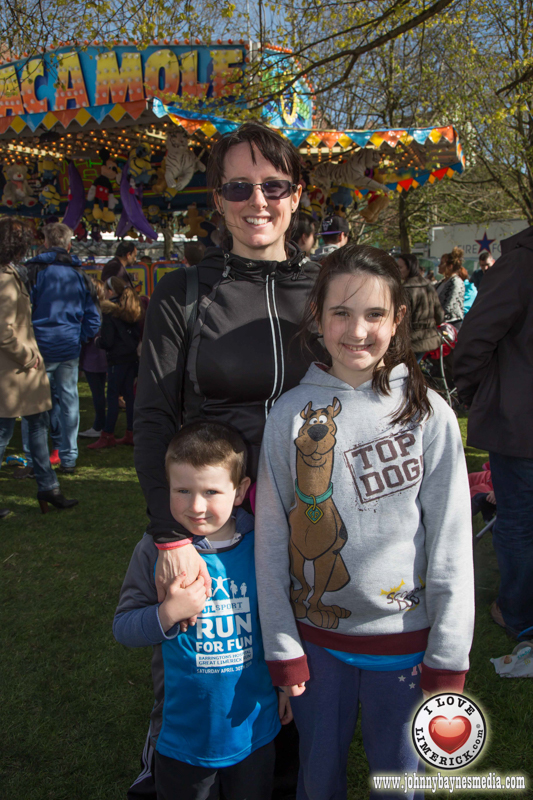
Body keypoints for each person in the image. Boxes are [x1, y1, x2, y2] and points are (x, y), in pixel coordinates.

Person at [132, 120, 323, 799]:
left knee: (299, 691)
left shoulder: (328, 291)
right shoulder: (184, 291)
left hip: (311, 526)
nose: (257, 201)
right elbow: (153, 418)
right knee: (206, 686)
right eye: (238, 187)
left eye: (273, 185)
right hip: (215, 529)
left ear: (296, 195)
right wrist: (170, 535)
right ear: (216, 198)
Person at [255, 243, 474, 800]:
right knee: (317, 778)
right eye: (341, 313)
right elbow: (273, 543)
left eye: (374, 314)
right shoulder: (288, 415)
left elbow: (451, 543)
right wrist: (282, 646)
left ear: (397, 319)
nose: (357, 331)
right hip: (315, 644)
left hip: (407, 644)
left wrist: (448, 657)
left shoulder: (429, 414)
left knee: (400, 783)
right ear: (317, 317)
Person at [114, 421, 292, 800]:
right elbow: (124, 626)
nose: (196, 506)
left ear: (240, 490)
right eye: (182, 491)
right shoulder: (154, 552)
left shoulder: (262, 545)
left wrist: (282, 683)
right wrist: (167, 613)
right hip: (183, 736)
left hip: (254, 728)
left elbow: (276, 618)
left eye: (211, 491)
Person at [454, 225, 533, 641]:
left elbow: (474, 339)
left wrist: (472, 391)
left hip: (521, 422)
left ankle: (518, 612)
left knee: (518, 521)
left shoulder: (520, 263)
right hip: (519, 422)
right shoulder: (519, 262)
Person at [0, 217, 78, 516]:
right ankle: (48, 486)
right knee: (5, 432)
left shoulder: (11, 273)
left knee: (37, 426)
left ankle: (48, 486)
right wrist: (27, 356)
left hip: (22, 370)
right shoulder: (5, 277)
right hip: (14, 369)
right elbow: (3, 330)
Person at [25, 222, 101, 474]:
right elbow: (94, 318)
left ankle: (33, 458)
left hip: (39, 347)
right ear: (69, 245)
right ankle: (68, 457)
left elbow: (23, 311)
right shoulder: (80, 275)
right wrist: (79, 337)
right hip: (67, 346)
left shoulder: (34, 271)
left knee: (34, 405)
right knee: (69, 402)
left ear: (45, 242)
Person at [88, 277, 144, 449]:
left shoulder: (110, 311)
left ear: (111, 292)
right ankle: (131, 432)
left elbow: (108, 340)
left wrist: (98, 342)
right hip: (130, 358)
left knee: (112, 396)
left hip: (117, 359)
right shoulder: (130, 308)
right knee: (129, 396)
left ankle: (108, 434)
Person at [396, 253, 444, 360]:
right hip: (428, 338)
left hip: (413, 341)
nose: (398, 271)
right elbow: (439, 316)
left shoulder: (406, 289)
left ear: (410, 268)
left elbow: (401, 320)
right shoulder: (428, 285)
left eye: (400, 267)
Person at [79, 278, 108, 438]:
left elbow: (89, 331)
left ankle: (99, 426)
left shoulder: (91, 311)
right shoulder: (105, 309)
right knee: (101, 393)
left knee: (98, 394)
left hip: (93, 357)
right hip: (102, 357)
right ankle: (102, 424)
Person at [436, 247, 467, 329]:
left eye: (442, 263)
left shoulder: (456, 282)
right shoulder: (440, 283)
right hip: (440, 322)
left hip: (451, 324)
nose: (439, 266)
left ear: (450, 266)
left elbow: (450, 305)